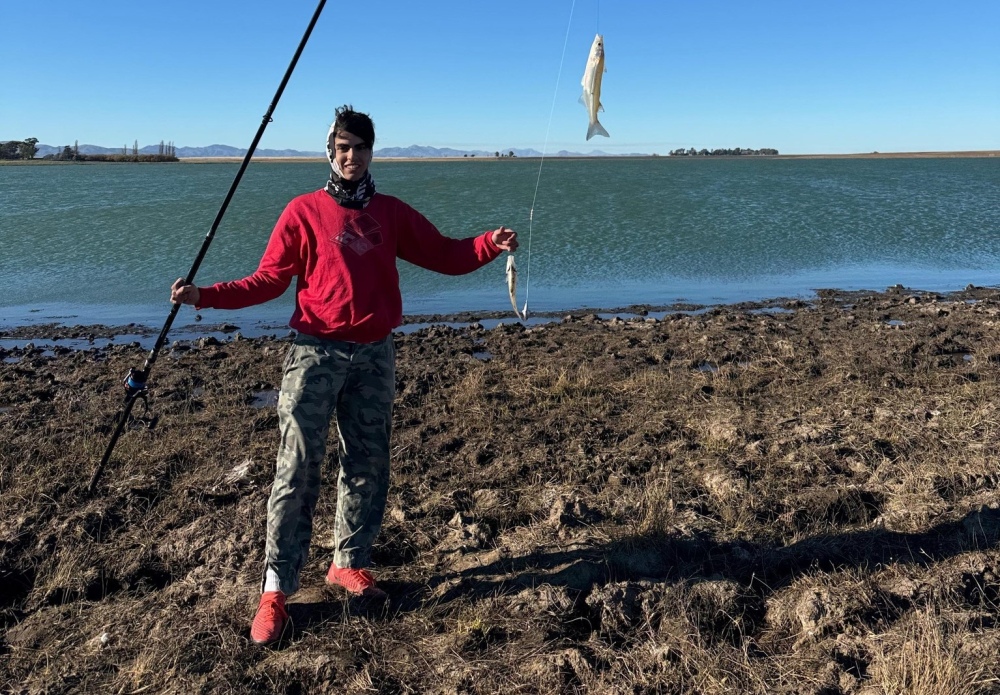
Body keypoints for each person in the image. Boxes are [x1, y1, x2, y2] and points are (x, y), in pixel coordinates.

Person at [170, 105, 518, 646]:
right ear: (329, 153)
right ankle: (275, 590)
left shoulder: (391, 213)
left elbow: (444, 253)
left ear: (372, 152)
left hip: (375, 355)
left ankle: (347, 563)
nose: (350, 157)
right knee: (297, 469)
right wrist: (203, 296)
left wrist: (489, 245)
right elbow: (267, 280)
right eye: (341, 148)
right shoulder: (303, 211)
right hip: (314, 353)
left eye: (358, 147)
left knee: (367, 461)